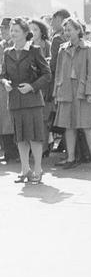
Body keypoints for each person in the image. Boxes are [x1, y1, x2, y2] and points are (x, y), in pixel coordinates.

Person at [0, 18, 52, 184]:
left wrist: (32, 86)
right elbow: (3, 75)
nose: (12, 33)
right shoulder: (7, 52)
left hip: (32, 101)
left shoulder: (34, 51)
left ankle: (38, 168)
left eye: (16, 31)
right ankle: (25, 169)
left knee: (35, 137)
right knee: (20, 137)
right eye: (11, 30)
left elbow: (47, 74)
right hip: (15, 100)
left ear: (24, 33)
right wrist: (5, 82)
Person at [53, 18, 91, 170]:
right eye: (65, 30)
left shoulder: (90, 48)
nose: (67, 33)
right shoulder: (62, 49)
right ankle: (71, 158)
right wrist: (57, 92)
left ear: (79, 30)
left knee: (88, 126)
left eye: (70, 30)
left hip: (83, 90)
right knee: (69, 126)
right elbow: (59, 72)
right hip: (66, 89)